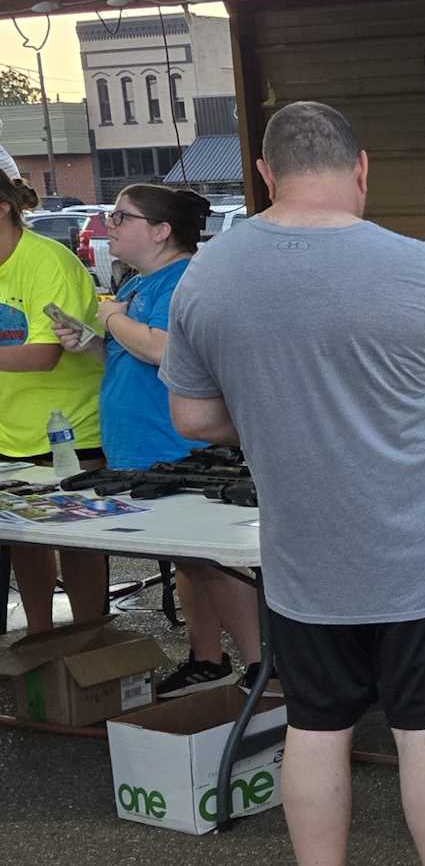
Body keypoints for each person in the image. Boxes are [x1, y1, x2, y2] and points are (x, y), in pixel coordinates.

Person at [160, 101, 425, 866]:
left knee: (316, 728)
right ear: (360, 168)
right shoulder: (421, 268)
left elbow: (192, 416)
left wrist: (273, 414)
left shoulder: (208, 274)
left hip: (303, 567)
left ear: (267, 173)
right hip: (421, 564)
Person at [52, 183, 264, 697]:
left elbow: (166, 350)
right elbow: (129, 354)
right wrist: (91, 342)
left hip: (179, 450)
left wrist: (112, 318)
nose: (109, 226)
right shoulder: (138, 284)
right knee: (189, 562)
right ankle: (208, 659)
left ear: (161, 231)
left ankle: (263, 669)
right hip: (141, 448)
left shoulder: (184, 281)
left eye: (122, 217)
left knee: (213, 564)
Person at [0, 172, 107, 633]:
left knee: (78, 542)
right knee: (24, 541)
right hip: (10, 430)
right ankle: (40, 639)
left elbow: (44, 354)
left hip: (70, 429)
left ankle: (91, 643)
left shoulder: (48, 260)